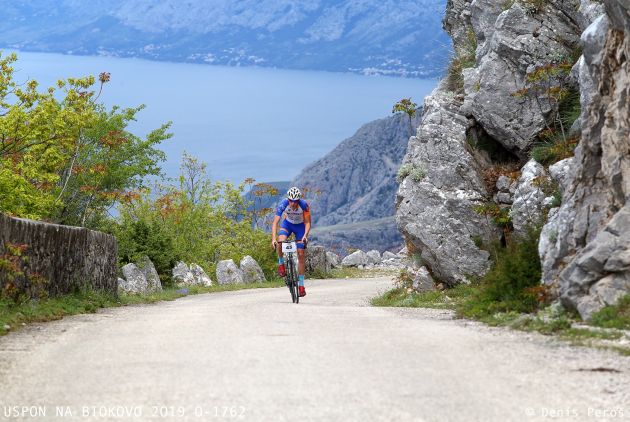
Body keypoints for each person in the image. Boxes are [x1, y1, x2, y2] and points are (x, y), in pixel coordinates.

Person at [271, 186, 311, 297]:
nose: (293, 204)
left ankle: (301, 286)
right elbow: (275, 223)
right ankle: (281, 264)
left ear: (298, 200)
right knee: (280, 241)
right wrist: (273, 239)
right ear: (288, 199)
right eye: (291, 201)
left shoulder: (304, 205)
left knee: (301, 254)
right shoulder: (283, 204)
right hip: (287, 225)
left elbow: (308, 223)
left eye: (295, 201)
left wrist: (305, 236)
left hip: (300, 227)